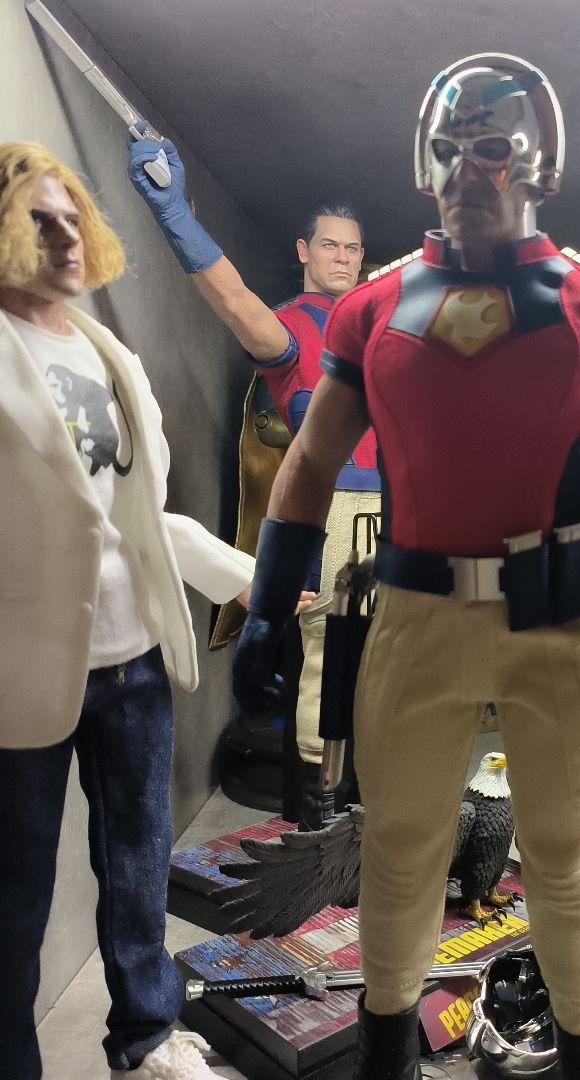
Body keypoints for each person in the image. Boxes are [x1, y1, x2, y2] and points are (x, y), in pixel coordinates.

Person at [230, 53, 580, 1080]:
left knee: (569, 864)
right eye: (451, 148)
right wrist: (269, 608)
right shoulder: (374, 308)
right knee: (400, 852)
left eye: (494, 146)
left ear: (539, 162)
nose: (469, 169)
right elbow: (311, 465)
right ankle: (386, 1057)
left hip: (557, 626)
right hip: (416, 619)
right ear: (427, 162)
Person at [0, 142, 255, 1079]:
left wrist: (247, 577)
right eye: (40, 220)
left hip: (134, 656)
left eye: (74, 219)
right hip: (20, 667)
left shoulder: (108, 353)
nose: (66, 237)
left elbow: (140, 517)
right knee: (14, 890)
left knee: (141, 866)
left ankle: (145, 1039)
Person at [128, 137, 376, 825]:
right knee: (322, 669)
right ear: (304, 251)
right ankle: (317, 828)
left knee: (390, 671)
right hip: (330, 515)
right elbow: (235, 300)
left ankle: (366, 823)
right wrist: (175, 214)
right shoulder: (292, 329)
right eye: (329, 245)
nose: (343, 258)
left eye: (353, 248)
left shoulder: (378, 332)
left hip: (396, 520)